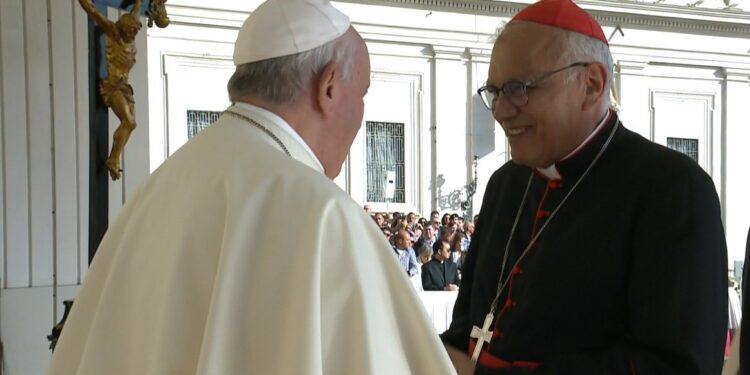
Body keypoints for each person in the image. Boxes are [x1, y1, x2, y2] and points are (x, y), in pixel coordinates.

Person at [47, 1, 455, 374]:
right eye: (362, 94)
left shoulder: (159, 186)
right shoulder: (322, 213)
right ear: (329, 86)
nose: (362, 112)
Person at [441, 0, 728, 373]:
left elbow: (677, 365)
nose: (500, 110)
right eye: (495, 91)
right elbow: (467, 332)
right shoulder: (505, 184)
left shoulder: (672, 189)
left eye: (518, 88)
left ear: (591, 85)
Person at [78, 0, 143, 180]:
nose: (134, 33)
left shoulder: (131, 34)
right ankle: (113, 160)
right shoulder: (114, 33)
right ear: (124, 28)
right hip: (112, 87)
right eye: (131, 30)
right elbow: (93, 11)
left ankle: (114, 158)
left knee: (132, 124)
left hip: (124, 87)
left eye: (136, 31)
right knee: (129, 122)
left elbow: (137, 10)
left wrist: (138, 2)